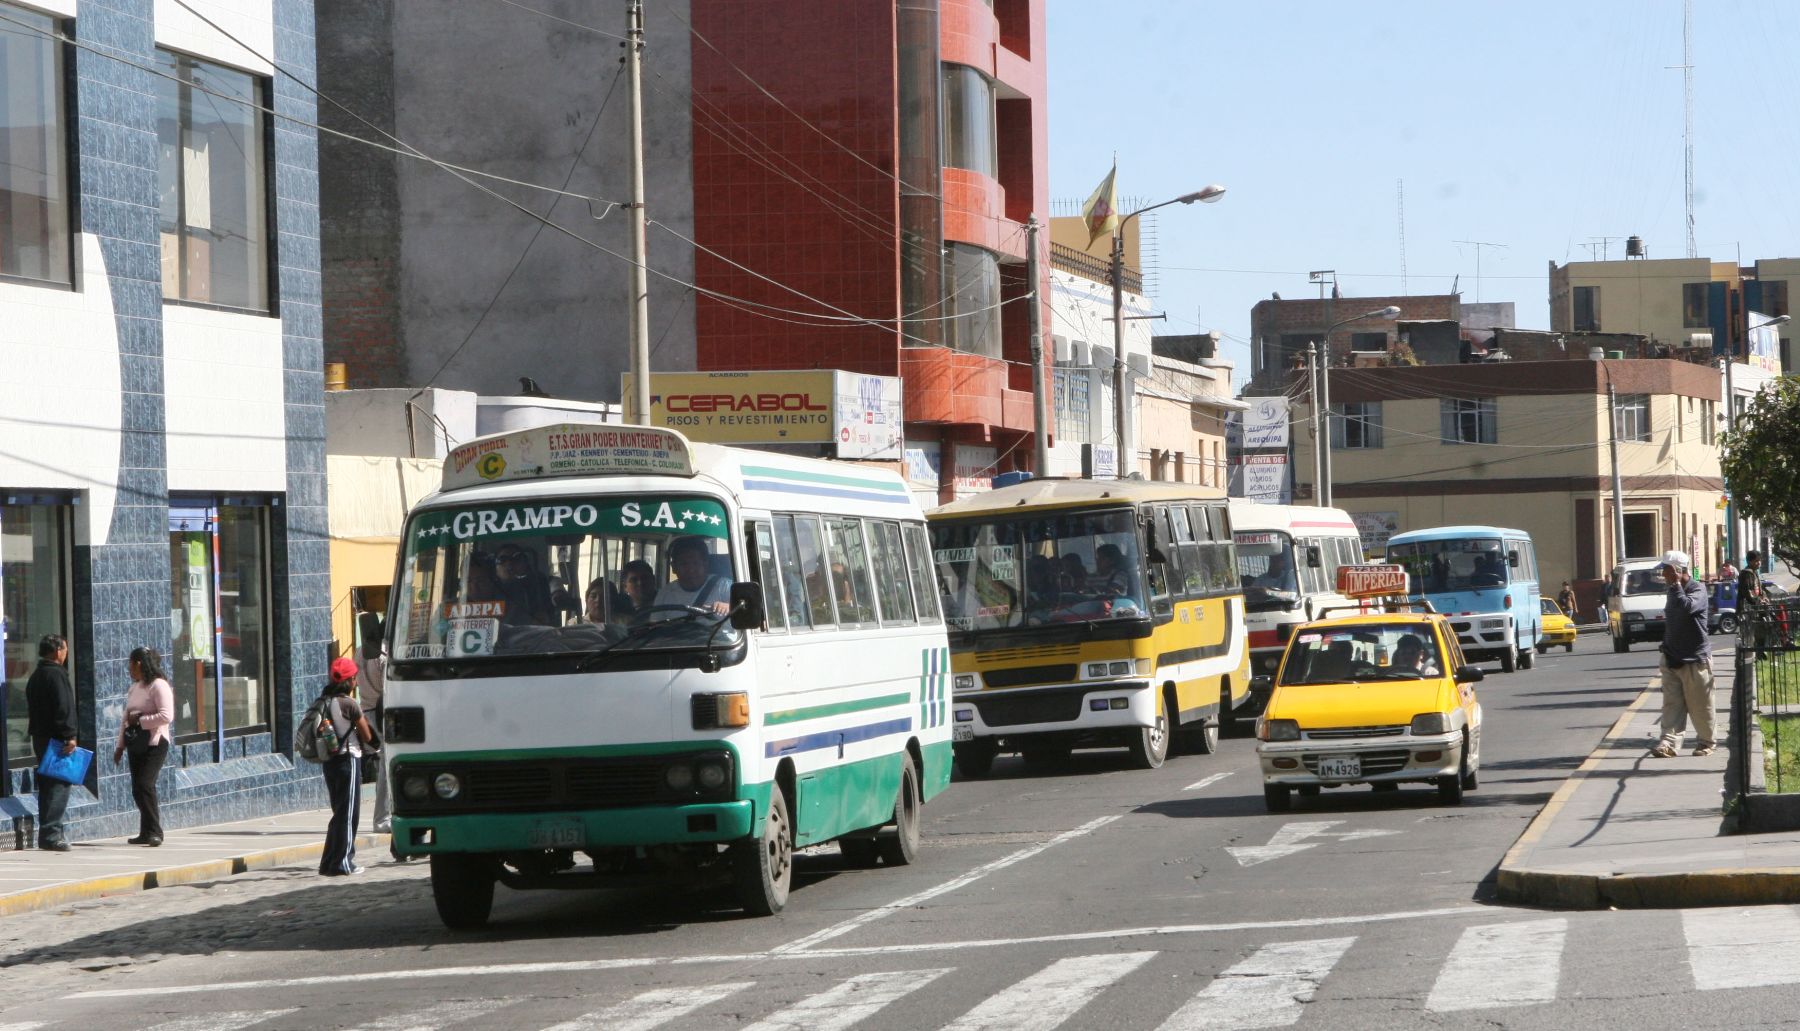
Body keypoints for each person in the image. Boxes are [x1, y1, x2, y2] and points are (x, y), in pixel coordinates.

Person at [1650, 550, 1714, 758]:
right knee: (1671, 705)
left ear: (1677, 571)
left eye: (1666, 570)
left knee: (1700, 707)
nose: (1663, 574)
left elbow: (1687, 607)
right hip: (1672, 657)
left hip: (1695, 659)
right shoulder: (1672, 590)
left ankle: (1706, 742)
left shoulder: (1698, 589)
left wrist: (1677, 585)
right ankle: (1668, 743)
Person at [319, 656, 376, 875]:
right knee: (349, 814)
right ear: (350, 680)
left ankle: (328, 862)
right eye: (355, 678)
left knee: (339, 813)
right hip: (348, 760)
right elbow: (367, 734)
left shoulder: (323, 701)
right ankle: (343, 862)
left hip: (329, 763)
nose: (357, 682)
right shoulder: (349, 704)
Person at [112, 647, 174, 846]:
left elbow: (166, 716)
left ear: (138, 663)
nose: (129, 668)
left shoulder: (159, 686)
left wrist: (141, 720)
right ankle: (145, 831)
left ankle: (155, 831)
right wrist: (120, 746)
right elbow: (125, 718)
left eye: (130, 663)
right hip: (135, 742)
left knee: (145, 785)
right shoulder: (135, 687)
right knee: (137, 789)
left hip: (155, 742)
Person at [25, 634, 76, 851]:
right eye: (64, 649)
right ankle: (51, 833)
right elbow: (63, 707)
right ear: (57, 651)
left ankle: (49, 831)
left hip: (40, 737)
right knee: (58, 785)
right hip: (56, 739)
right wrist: (69, 735)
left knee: (47, 785)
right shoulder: (56, 674)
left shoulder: (37, 675)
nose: (66, 653)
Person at [652, 536, 731, 617]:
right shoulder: (664, 594)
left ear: (706, 564)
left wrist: (729, 606)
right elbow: (655, 625)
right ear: (674, 567)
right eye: (684, 564)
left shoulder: (724, 586)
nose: (690, 570)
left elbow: (744, 610)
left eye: (696, 563)